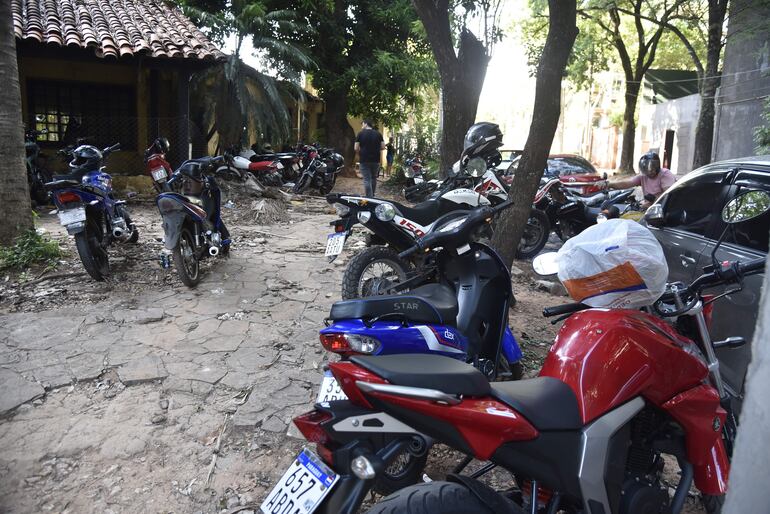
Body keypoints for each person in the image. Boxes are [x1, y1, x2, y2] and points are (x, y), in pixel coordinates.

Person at [605, 151, 676, 208]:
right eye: (646, 169)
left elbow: (668, 194)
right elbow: (627, 183)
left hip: (665, 208)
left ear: (657, 165)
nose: (650, 172)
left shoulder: (665, 174)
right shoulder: (644, 176)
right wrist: (609, 184)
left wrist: (653, 202)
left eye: (653, 168)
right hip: (650, 208)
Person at [354, 120, 384, 197]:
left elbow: (356, 148)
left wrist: (360, 152)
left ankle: (369, 197)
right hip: (376, 159)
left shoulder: (360, 134)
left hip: (364, 159)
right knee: (373, 178)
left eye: (362, 124)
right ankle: (372, 196)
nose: (362, 126)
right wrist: (375, 149)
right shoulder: (378, 134)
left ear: (366, 124)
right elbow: (383, 146)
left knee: (367, 179)